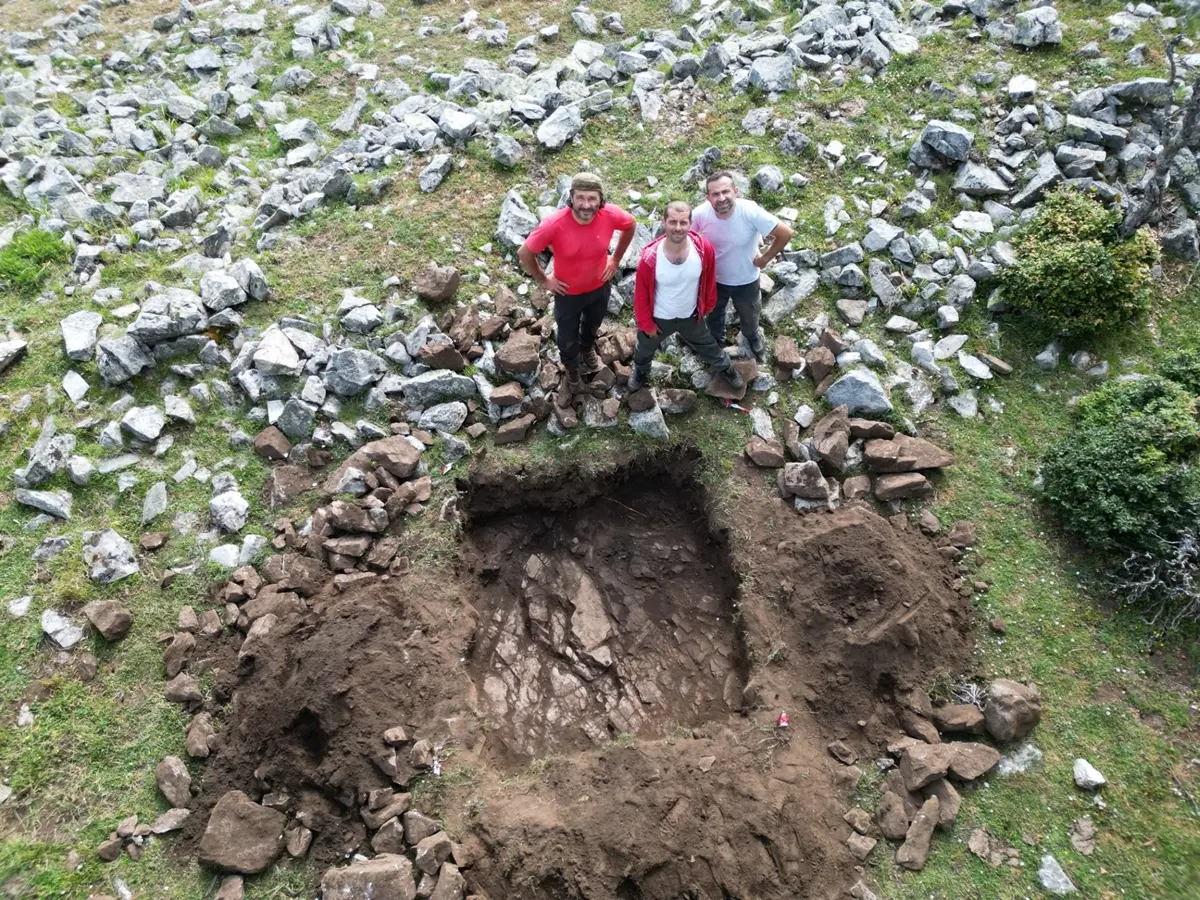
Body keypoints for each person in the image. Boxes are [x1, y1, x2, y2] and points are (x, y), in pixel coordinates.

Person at [517, 172, 637, 393]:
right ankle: (571, 369)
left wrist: (616, 259)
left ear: (601, 199)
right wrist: (545, 280)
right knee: (566, 336)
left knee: (592, 325)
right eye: (580, 197)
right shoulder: (554, 224)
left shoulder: (610, 214)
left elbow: (631, 225)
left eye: (592, 198)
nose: (586, 205)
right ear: (571, 197)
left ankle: (588, 348)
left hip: (600, 287)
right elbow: (525, 253)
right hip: (567, 293)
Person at [629, 201, 744, 393]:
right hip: (659, 318)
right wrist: (646, 325)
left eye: (683, 223)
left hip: (690, 316)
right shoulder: (650, 257)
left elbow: (709, 279)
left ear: (690, 223)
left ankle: (727, 369)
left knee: (708, 346)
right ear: (663, 222)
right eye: (672, 222)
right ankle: (640, 371)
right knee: (644, 349)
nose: (678, 228)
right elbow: (640, 295)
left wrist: (707, 306)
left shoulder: (703, 249)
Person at [691, 171, 794, 363]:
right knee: (714, 315)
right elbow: (683, 239)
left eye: (725, 192)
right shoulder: (699, 213)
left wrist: (765, 258)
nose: (721, 198)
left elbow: (786, 233)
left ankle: (753, 339)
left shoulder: (750, 211)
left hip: (747, 279)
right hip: (715, 280)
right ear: (708, 198)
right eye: (715, 194)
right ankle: (716, 344)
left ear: (735, 191)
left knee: (749, 316)